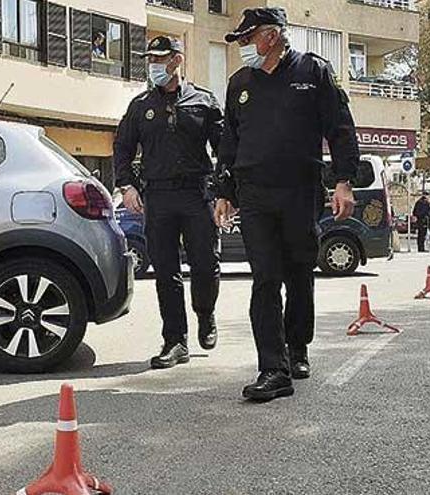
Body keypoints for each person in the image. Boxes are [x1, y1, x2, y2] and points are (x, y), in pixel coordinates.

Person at [215, 7, 358, 401]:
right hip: (255, 193)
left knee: (299, 273)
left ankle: (297, 348)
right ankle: (273, 369)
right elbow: (230, 140)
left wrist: (344, 182)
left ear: (272, 36)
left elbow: (341, 128)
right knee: (264, 278)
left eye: (248, 39)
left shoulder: (313, 73)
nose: (243, 47)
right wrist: (224, 192)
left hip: (299, 190)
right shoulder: (239, 82)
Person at [114, 36, 223, 369]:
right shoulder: (140, 105)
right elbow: (122, 147)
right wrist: (127, 186)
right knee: (165, 272)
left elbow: (225, 149)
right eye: (150, 60)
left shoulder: (203, 101)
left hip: (195, 193)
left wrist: (224, 190)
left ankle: (205, 314)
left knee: (205, 265)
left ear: (177, 60)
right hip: (157, 196)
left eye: (160, 59)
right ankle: (175, 341)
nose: (154, 65)